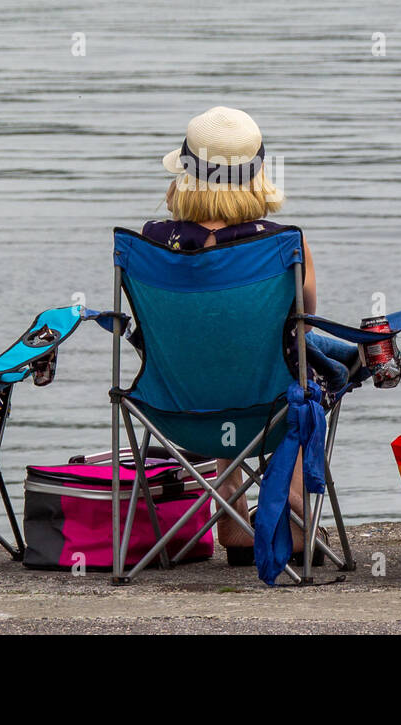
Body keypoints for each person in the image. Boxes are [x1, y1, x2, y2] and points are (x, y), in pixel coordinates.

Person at [141, 106, 356, 561]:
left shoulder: (151, 244)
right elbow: (304, 320)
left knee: (213, 352)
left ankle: (233, 519)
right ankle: (294, 517)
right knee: (302, 370)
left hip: (173, 410)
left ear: (185, 175)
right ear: (257, 177)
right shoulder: (283, 245)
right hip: (267, 415)